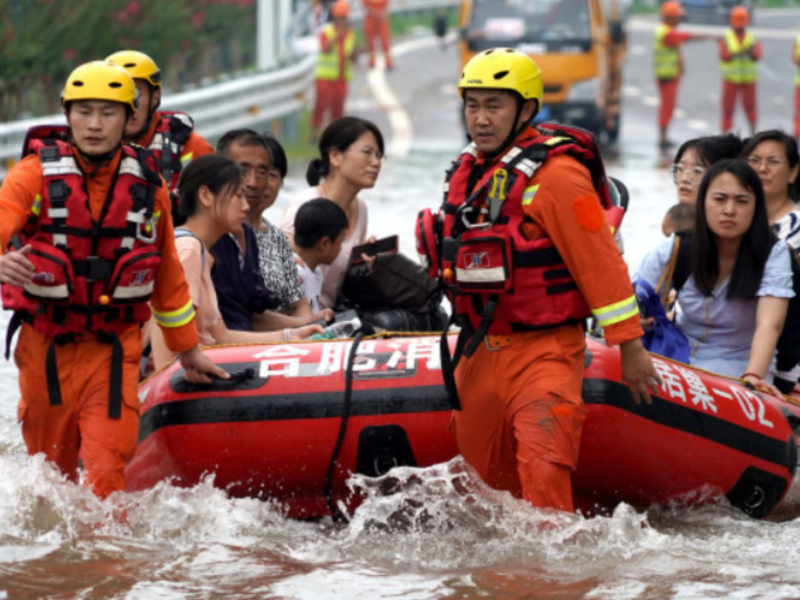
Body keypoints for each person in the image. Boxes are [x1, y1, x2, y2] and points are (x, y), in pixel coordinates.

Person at [422, 48, 660, 512]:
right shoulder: (469, 172)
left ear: (526, 109)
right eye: (473, 105)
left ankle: (555, 581)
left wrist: (630, 347)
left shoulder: (558, 175)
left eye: (494, 105)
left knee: (545, 481)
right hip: (479, 349)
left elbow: (600, 262)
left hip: (545, 351)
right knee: (482, 498)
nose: (481, 119)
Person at [0, 61, 227, 499]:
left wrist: (189, 352)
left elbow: (166, 278)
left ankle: (110, 565)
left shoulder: (148, 184)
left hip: (113, 352)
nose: (94, 124)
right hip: (46, 351)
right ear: (68, 116)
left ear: (129, 118)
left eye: (108, 113)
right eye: (83, 111)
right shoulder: (32, 175)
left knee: (106, 484)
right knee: (52, 489)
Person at [149, 155, 322, 370]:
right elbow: (164, 333)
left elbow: (221, 336)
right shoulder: (188, 249)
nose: (245, 206)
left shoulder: (203, 252)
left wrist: (291, 335)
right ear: (205, 196)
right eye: (237, 196)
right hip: (186, 381)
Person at [636, 159, 792, 395]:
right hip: (677, 352)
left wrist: (752, 377)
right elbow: (634, 294)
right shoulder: (679, 246)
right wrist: (636, 319)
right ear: (703, 203)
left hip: (741, 363)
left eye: (741, 201)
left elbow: (770, 324)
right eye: (720, 199)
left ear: (756, 207)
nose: (729, 210)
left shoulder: (773, 253)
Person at [214, 130, 333, 331]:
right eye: (243, 171)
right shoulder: (214, 236)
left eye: (263, 173)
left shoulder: (275, 237)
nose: (253, 182)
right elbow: (246, 316)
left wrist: (306, 329)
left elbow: (299, 302)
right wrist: (303, 325)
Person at [279, 116, 384, 310]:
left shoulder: (360, 209)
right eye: (367, 152)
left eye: (379, 155)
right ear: (335, 156)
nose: (376, 162)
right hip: (299, 324)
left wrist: (361, 262)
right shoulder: (304, 205)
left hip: (332, 319)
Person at [105, 50, 214, 193]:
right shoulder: (87, 152)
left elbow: (215, 209)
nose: (129, 107)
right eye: (117, 97)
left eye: (135, 95)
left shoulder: (193, 147)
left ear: (155, 97)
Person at [741, 130, 800, 391]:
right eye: (754, 160)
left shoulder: (795, 226)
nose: (762, 169)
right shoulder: (732, 219)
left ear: (792, 172)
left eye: (773, 161)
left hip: (786, 347)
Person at [653, 1, 713, 150]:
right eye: (677, 17)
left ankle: (664, 135)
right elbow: (684, 37)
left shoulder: (665, 30)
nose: (680, 19)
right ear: (670, 17)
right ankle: (663, 136)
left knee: (668, 106)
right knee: (667, 106)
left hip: (670, 75)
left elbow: (676, 49)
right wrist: (709, 36)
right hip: (666, 76)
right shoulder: (666, 32)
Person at [292, 198, 350, 312]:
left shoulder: (316, 271)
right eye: (341, 242)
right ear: (325, 244)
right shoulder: (297, 274)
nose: (341, 248)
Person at [312, 0, 357, 142]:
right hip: (325, 78)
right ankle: (314, 134)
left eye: (345, 17)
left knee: (338, 110)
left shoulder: (350, 35)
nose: (343, 20)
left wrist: (358, 52)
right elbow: (325, 48)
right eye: (341, 17)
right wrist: (338, 35)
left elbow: (351, 55)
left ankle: (334, 138)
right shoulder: (326, 32)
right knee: (320, 107)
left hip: (341, 78)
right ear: (335, 17)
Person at [719, 7, 760, 135]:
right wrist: (742, 52)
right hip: (731, 79)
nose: (740, 27)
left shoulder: (752, 38)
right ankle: (725, 136)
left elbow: (757, 56)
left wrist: (750, 52)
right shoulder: (726, 38)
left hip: (748, 79)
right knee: (727, 109)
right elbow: (724, 56)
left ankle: (753, 134)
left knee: (751, 108)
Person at [362, 0, 393, 70]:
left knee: (385, 41)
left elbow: (386, 4)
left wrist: (383, 14)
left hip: (382, 19)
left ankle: (388, 62)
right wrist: (376, 14)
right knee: (370, 42)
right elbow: (366, 5)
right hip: (371, 18)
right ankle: (372, 61)